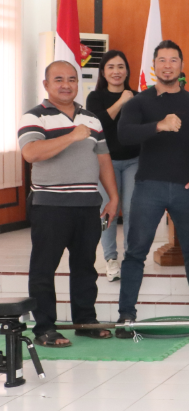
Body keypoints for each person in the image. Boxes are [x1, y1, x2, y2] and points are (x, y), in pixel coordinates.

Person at [117, 40, 189, 335]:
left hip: (186, 187)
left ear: (182, 65)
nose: (167, 66)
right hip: (148, 186)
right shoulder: (139, 102)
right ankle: (126, 316)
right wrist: (158, 126)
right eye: (162, 60)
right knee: (135, 252)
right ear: (154, 65)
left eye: (173, 60)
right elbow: (124, 135)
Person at [20, 61, 119, 347]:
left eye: (72, 79)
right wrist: (72, 135)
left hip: (87, 205)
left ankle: (85, 321)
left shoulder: (92, 119)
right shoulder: (34, 116)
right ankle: (44, 328)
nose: (66, 85)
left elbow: (103, 160)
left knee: (85, 267)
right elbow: (31, 153)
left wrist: (113, 198)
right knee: (44, 268)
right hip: (49, 206)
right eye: (59, 79)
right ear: (46, 85)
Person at [85, 50, 137, 281]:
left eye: (121, 67)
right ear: (103, 72)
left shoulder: (137, 96)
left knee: (132, 209)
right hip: (105, 161)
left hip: (134, 160)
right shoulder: (95, 97)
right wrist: (122, 101)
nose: (117, 71)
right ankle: (110, 258)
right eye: (111, 67)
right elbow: (99, 125)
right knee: (108, 211)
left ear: (127, 71)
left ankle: (132, 257)